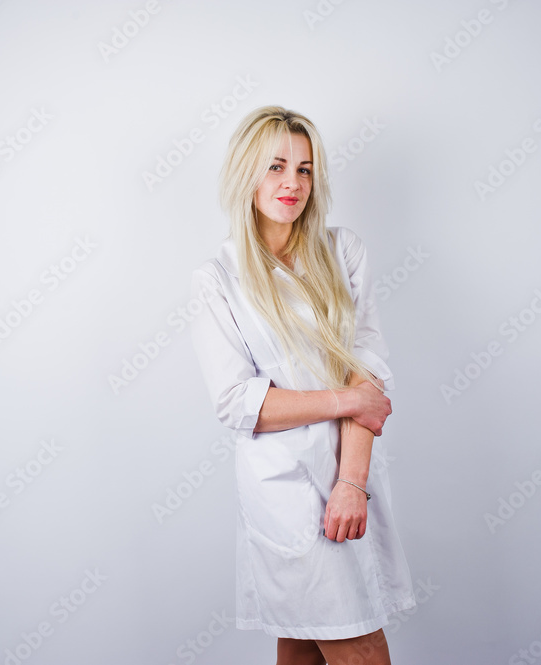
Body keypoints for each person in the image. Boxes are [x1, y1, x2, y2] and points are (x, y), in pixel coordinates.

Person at [189, 105, 416, 665]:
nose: (292, 182)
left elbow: (366, 369)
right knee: (358, 646)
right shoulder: (218, 279)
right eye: (275, 166)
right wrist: (346, 400)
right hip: (283, 490)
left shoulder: (343, 252)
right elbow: (239, 402)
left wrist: (351, 482)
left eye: (305, 169)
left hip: (348, 474)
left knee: (303, 645)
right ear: (246, 173)